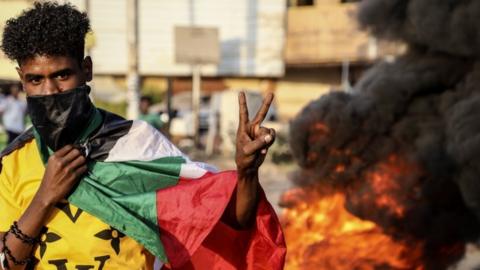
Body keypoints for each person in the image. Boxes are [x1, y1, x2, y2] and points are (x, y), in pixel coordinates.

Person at [0, 2, 285, 270]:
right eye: (35, 80)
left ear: (86, 70)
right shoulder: (13, 162)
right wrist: (44, 197)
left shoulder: (136, 143)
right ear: (21, 78)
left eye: (62, 76)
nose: (50, 91)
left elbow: (231, 220)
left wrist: (246, 171)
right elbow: (5, 261)